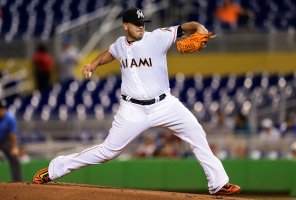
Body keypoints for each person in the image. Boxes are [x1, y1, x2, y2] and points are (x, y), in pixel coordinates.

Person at [32, 7, 240, 195]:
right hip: (132, 109)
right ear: (125, 25)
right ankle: (54, 169)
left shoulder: (158, 37)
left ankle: (218, 183)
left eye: (143, 23)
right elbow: (110, 53)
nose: (141, 27)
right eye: (136, 24)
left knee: (196, 132)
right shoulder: (120, 45)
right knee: (107, 152)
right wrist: (94, 63)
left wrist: (199, 27)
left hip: (164, 104)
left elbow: (186, 27)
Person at [0, 100, 22, 182]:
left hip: (6, 140)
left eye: (3, 108)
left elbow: (13, 134)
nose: (1, 110)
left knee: (14, 159)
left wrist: (14, 147)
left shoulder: (10, 118)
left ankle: (17, 183)